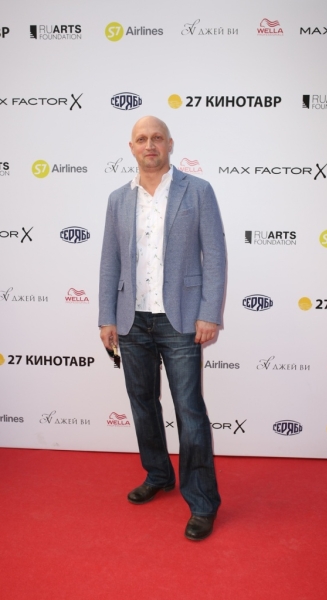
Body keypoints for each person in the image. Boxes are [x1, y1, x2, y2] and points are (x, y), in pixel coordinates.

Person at [98, 116, 226, 541]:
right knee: (142, 404)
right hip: (131, 319)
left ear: (170, 144)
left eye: (157, 138)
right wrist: (106, 317)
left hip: (181, 319)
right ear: (131, 147)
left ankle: (202, 502)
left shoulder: (198, 191)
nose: (149, 145)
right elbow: (110, 261)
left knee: (189, 410)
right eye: (141, 139)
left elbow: (215, 256)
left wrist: (209, 313)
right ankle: (158, 473)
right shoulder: (118, 199)